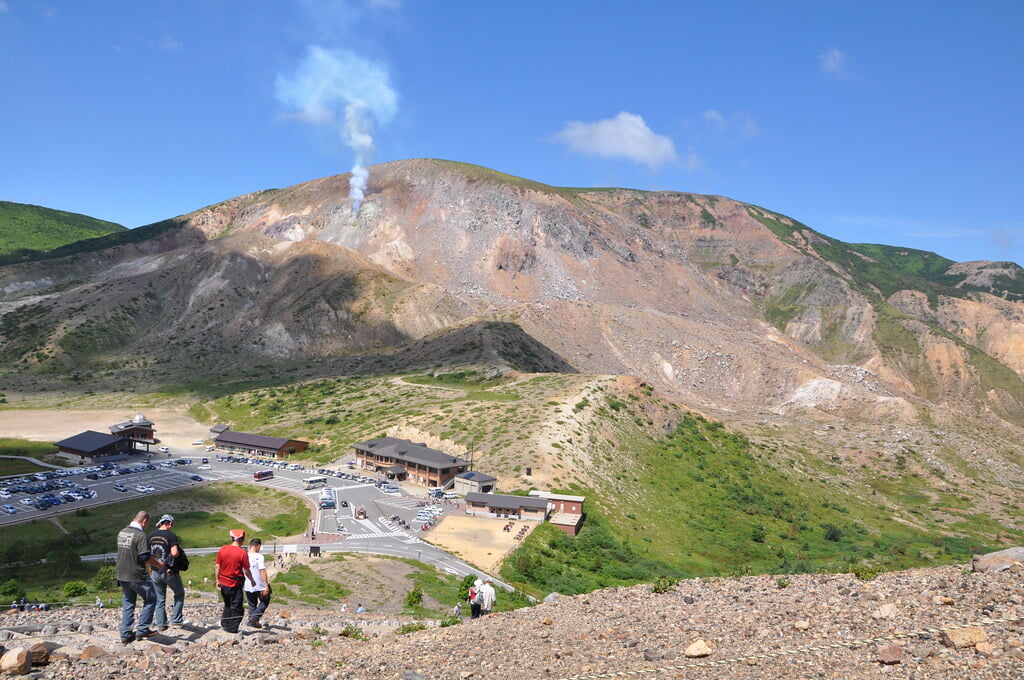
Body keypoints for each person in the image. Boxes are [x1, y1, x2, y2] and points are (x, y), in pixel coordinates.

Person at [116, 510, 164, 644]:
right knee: (151, 598)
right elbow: (144, 556)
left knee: (128, 603)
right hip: (136, 574)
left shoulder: (122, 532)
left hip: (121, 574)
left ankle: (125, 634)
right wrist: (159, 564)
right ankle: (143, 629)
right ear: (144, 521)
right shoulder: (140, 535)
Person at [148, 514, 187, 630]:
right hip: (168, 570)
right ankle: (176, 620)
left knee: (160, 598)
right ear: (169, 523)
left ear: (160, 523)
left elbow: (146, 554)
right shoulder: (171, 535)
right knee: (179, 593)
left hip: (155, 571)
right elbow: (174, 552)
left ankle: (161, 624)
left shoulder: (150, 536)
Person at [214, 529, 255, 633]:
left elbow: (217, 566)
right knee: (237, 607)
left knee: (227, 604)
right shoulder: (242, 553)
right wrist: (252, 580)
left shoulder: (223, 549)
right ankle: (232, 628)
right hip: (235, 583)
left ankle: (225, 624)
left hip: (223, 582)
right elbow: (247, 570)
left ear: (232, 538)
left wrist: (217, 580)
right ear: (242, 539)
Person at [244, 538, 271, 628]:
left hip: (247, 584)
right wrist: (266, 585)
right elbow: (262, 571)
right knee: (265, 601)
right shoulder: (259, 556)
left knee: (252, 604)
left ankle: (252, 622)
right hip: (259, 584)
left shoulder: (244, 556)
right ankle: (254, 618)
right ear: (258, 546)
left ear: (250, 546)